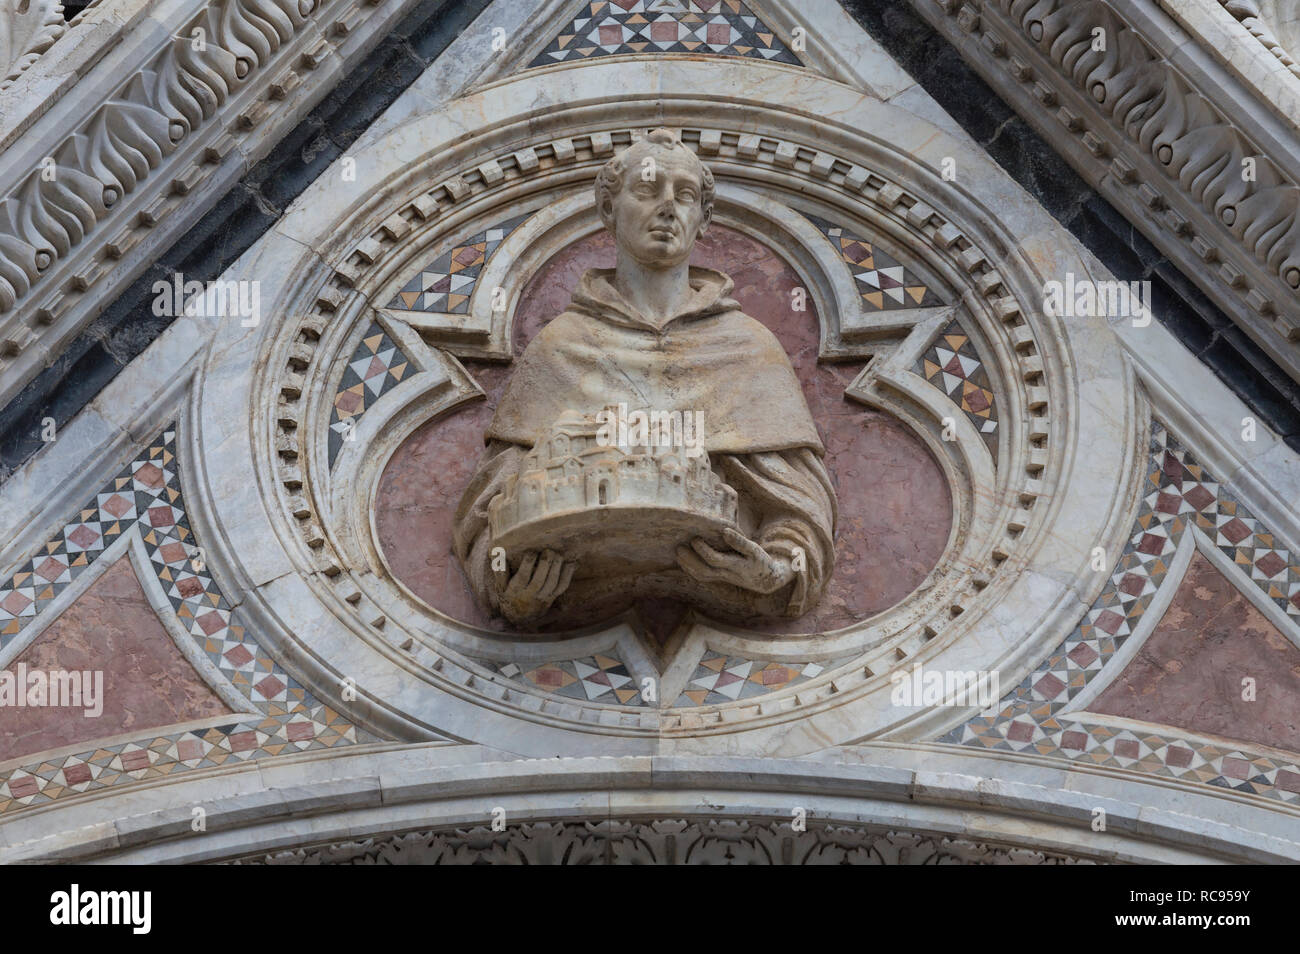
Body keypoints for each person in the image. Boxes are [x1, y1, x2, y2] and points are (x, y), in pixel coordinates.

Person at [453, 129, 836, 626]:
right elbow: (491, 509)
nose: (667, 208)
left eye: (685, 195)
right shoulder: (563, 344)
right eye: (647, 190)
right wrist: (511, 588)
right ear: (609, 210)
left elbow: (802, 507)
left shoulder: (748, 347)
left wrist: (779, 570)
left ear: (704, 220)